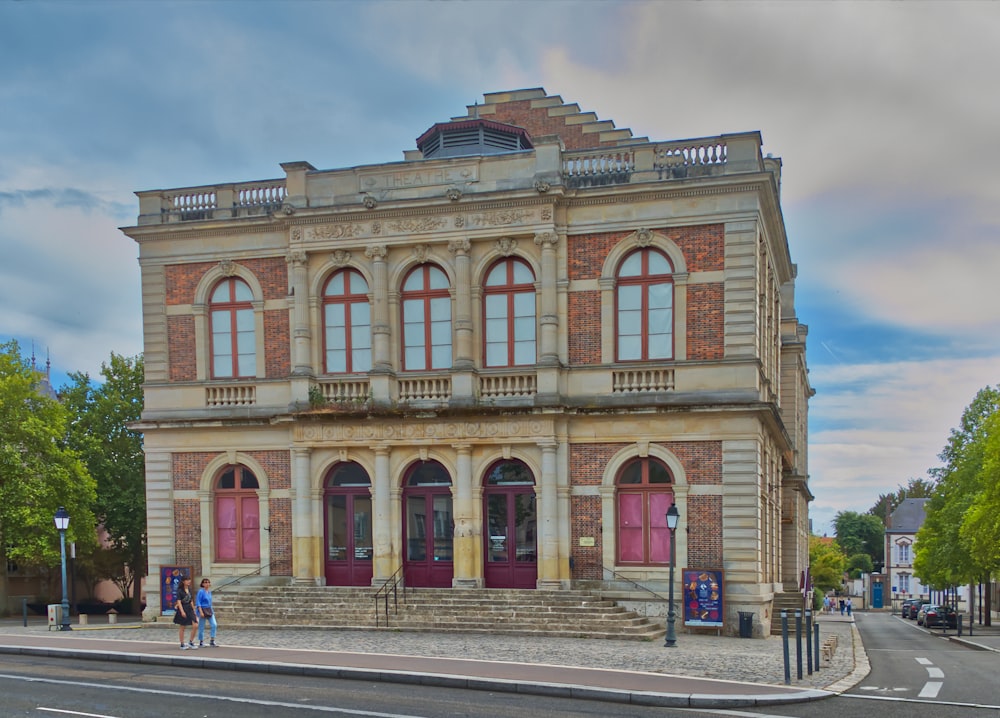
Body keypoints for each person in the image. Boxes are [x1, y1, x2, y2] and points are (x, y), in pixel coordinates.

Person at [173, 575, 199, 649]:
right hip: (183, 608)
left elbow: (191, 600)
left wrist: (194, 610)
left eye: (189, 580)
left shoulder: (190, 590)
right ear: (183, 581)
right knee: (182, 626)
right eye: (187, 580)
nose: (189, 581)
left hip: (189, 608)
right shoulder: (180, 591)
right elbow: (179, 602)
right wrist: (182, 611)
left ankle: (191, 641)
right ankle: (182, 643)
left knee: (195, 625)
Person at [196, 577, 218, 647]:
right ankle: (201, 641)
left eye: (208, 582)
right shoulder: (200, 591)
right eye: (205, 582)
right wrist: (200, 612)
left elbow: (210, 602)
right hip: (202, 609)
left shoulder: (209, 592)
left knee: (214, 624)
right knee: (201, 626)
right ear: (202, 584)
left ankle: (212, 640)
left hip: (209, 609)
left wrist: (212, 611)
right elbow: (198, 602)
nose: (207, 584)